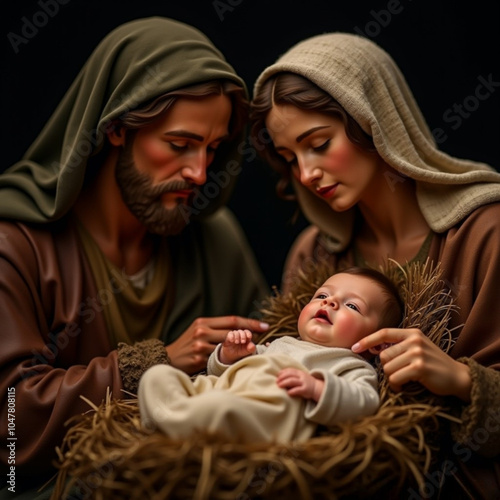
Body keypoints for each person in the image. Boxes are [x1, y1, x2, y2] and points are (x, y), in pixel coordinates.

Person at [0, 17, 270, 493]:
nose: (200, 173)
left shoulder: (215, 241)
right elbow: (11, 426)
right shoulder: (17, 246)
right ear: (117, 128)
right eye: (180, 145)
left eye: (213, 148)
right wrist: (157, 363)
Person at [249, 32, 500, 497]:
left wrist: (463, 380)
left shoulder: (486, 235)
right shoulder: (314, 255)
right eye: (289, 158)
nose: (305, 174)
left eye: (319, 143)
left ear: (375, 121)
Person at [138, 267, 403, 444]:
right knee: (157, 375)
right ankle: (175, 416)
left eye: (352, 305)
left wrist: (318, 388)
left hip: (263, 411)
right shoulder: (281, 343)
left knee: (221, 407)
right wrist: (229, 357)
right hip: (224, 390)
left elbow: (366, 402)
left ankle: (174, 424)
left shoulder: (351, 365)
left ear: (375, 344)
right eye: (322, 295)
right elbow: (219, 373)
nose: (329, 302)